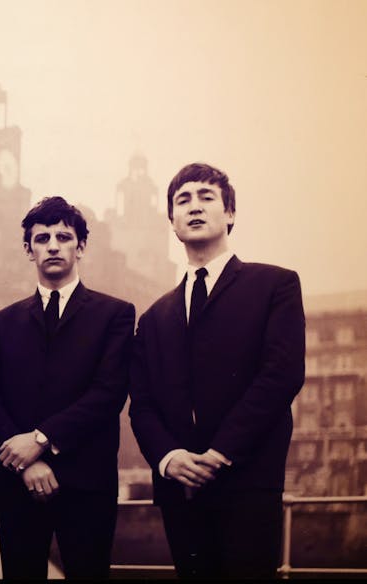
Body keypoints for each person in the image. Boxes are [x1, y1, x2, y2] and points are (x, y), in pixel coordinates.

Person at [128, 162, 306, 579]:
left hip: (249, 481)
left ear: (230, 213)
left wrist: (219, 453)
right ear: (171, 222)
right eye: (182, 200)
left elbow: (281, 375)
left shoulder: (276, 285)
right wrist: (169, 459)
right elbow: (143, 404)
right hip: (180, 491)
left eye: (206, 197)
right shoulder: (153, 317)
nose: (194, 206)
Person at [0, 196, 135, 580]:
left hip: (87, 481)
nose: (53, 245)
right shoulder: (1, 322)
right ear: (29, 250)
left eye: (64, 237)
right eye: (42, 238)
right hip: (18, 482)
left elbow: (109, 392)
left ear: (81, 247)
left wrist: (41, 440)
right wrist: (24, 461)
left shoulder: (115, 313)